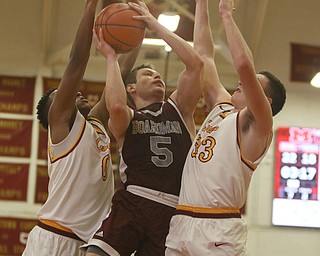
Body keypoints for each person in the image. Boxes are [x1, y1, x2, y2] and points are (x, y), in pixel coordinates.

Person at [165, 0, 286, 255]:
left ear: (265, 101)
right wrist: (201, 4)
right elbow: (204, 54)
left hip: (218, 227)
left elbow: (243, 66)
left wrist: (226, 15)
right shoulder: (222, 108)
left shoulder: (258, 125)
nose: (240, 84)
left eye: (251, 84)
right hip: (183, 219)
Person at [82, 1, 204, 255]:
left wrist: (153, 25)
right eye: (148, 74)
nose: (157, 76)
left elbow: (196, 65)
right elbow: (114, 105)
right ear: (131, 88)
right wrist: (111, 57)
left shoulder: (179, 109)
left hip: (173, 211)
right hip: (134, 202)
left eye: (158, 74)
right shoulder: (128, 117)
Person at [22, 0, 141, 255]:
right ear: (55, 110)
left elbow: (122, 70)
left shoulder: (95, 124)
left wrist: (141, 28)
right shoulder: (62, 127)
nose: (76, 90)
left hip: (88, 244)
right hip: (55, 238)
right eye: (62, 94)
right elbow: (77, 61)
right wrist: (90, 5)